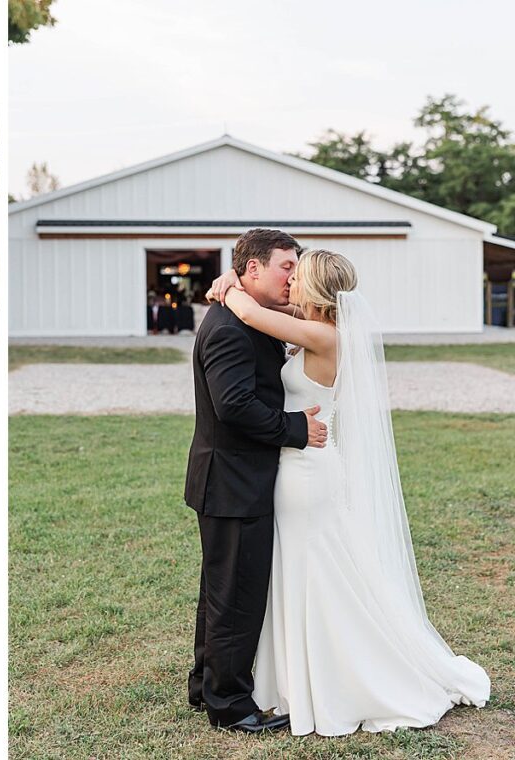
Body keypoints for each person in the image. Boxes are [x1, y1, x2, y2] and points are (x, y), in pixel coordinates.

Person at [207, 248, 490, 736]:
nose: (290, 282)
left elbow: (251, 312)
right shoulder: (316, 323)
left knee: (314, 575)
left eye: (298, 275)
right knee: (307, 572)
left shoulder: (321, 334)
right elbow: (272, 311)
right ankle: (305, 677)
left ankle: (338, 680)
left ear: (315, 289)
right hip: (306, 464)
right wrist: (235, 282)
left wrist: (228, 282)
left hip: (307, 471)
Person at [183, 228, 327, 733]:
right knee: (236, 596)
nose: (295, 274)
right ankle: (231, 707)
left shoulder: (246, 312)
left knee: (221, 591)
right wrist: (297, 429)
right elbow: (235, 405)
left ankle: (206, 686)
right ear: (253, 270)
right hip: (233, 481)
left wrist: (230, 282)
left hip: (231, 478)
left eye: (297, 265)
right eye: (286, 266)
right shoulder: (228, 327)